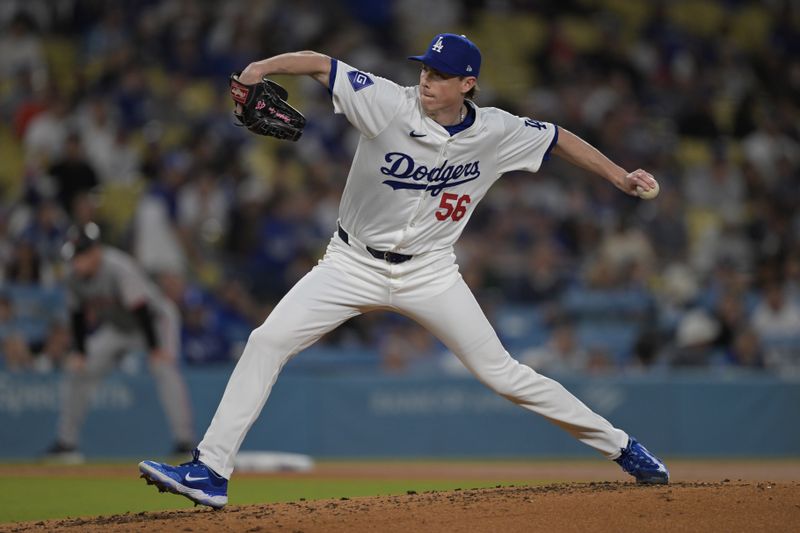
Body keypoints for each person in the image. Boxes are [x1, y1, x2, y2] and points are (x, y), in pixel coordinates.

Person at [139, 33, 668, 508]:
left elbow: (556, 137)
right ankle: (210, 470)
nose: (426, 80)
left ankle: (623, 447)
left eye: (439, 75)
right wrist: (261, 68)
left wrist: (619, 176)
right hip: (350, 262)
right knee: (266, 341)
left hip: (431, 273)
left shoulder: (497, 131)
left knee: (504, 374)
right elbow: (321, 64)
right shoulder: (389, 104)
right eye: (424, 70)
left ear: (468, 84)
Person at [45, 223, 195, 462]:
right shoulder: (73, 277)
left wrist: (155, 349)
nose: (76, 262)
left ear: (95, 252)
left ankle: (184, 441)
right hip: (117, 327)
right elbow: (77, 316)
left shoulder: (118, 266)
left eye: (81, 255)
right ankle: (66, 443)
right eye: (74, 256)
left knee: (164, 368)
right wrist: (81, 352)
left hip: (155, 321)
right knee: (78, 371)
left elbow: (142, 308)